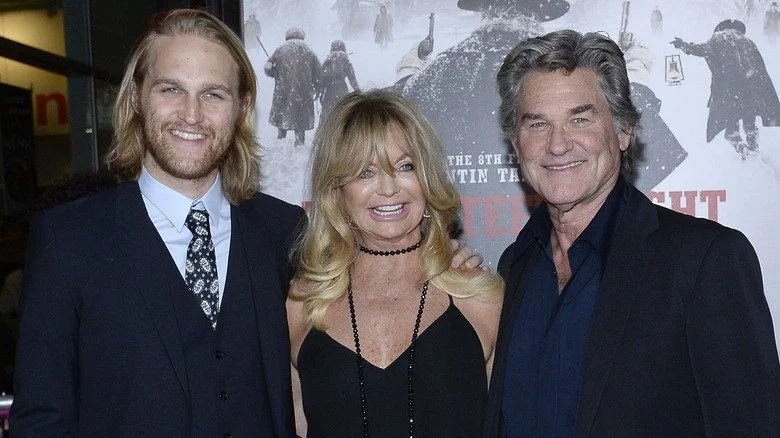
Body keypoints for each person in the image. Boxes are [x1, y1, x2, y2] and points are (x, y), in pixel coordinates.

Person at [11, 9, 306, 436]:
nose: (191, 114)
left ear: (241, 107)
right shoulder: (68, 239)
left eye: (214, 94)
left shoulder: (284, 230)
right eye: (171, 89)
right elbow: (41, 419)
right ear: (136, 96)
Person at [484, 29, 780, 436]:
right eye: (537, 124)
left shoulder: (705, 259)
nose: (557, 144)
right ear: (515, 145)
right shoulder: (515, 265)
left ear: (623, 131)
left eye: (580, 118)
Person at [287, 90, 504, 437]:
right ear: (336, 191)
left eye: (405, 167)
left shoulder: (481, 299)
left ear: (427, 178)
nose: (388, 188)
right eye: (365, 173)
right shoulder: (301, 305)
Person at [672, 20, 780, 158]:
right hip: (750, 87)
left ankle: (739, 145)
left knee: (731, 124)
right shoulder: (747, 41)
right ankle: (753, 148)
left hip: (728, 90)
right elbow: (760, 67)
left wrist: (684, 45)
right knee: (749, 119)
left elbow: (702, 49)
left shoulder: (718, 38)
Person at [265, 27, 321, 146]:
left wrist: (276, 74)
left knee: (282, 115)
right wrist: (317, 87)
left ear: (287, 37)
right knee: (300, 118)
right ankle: (299, 141)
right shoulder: (308, 50)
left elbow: (267, 67)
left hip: (283, 90)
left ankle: (281, 139)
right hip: (303, 92)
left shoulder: (280, 50)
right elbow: (318, 71)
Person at [318, 40, 360, 125]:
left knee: (327, 115)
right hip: (342, 90)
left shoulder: (327, 61)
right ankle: (341, 133)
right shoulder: (346, 61)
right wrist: (358, 91)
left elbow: (322, 78)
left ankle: (324, 134)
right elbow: (352, 79)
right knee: (343, 113)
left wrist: (321, 92)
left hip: (329, 91)